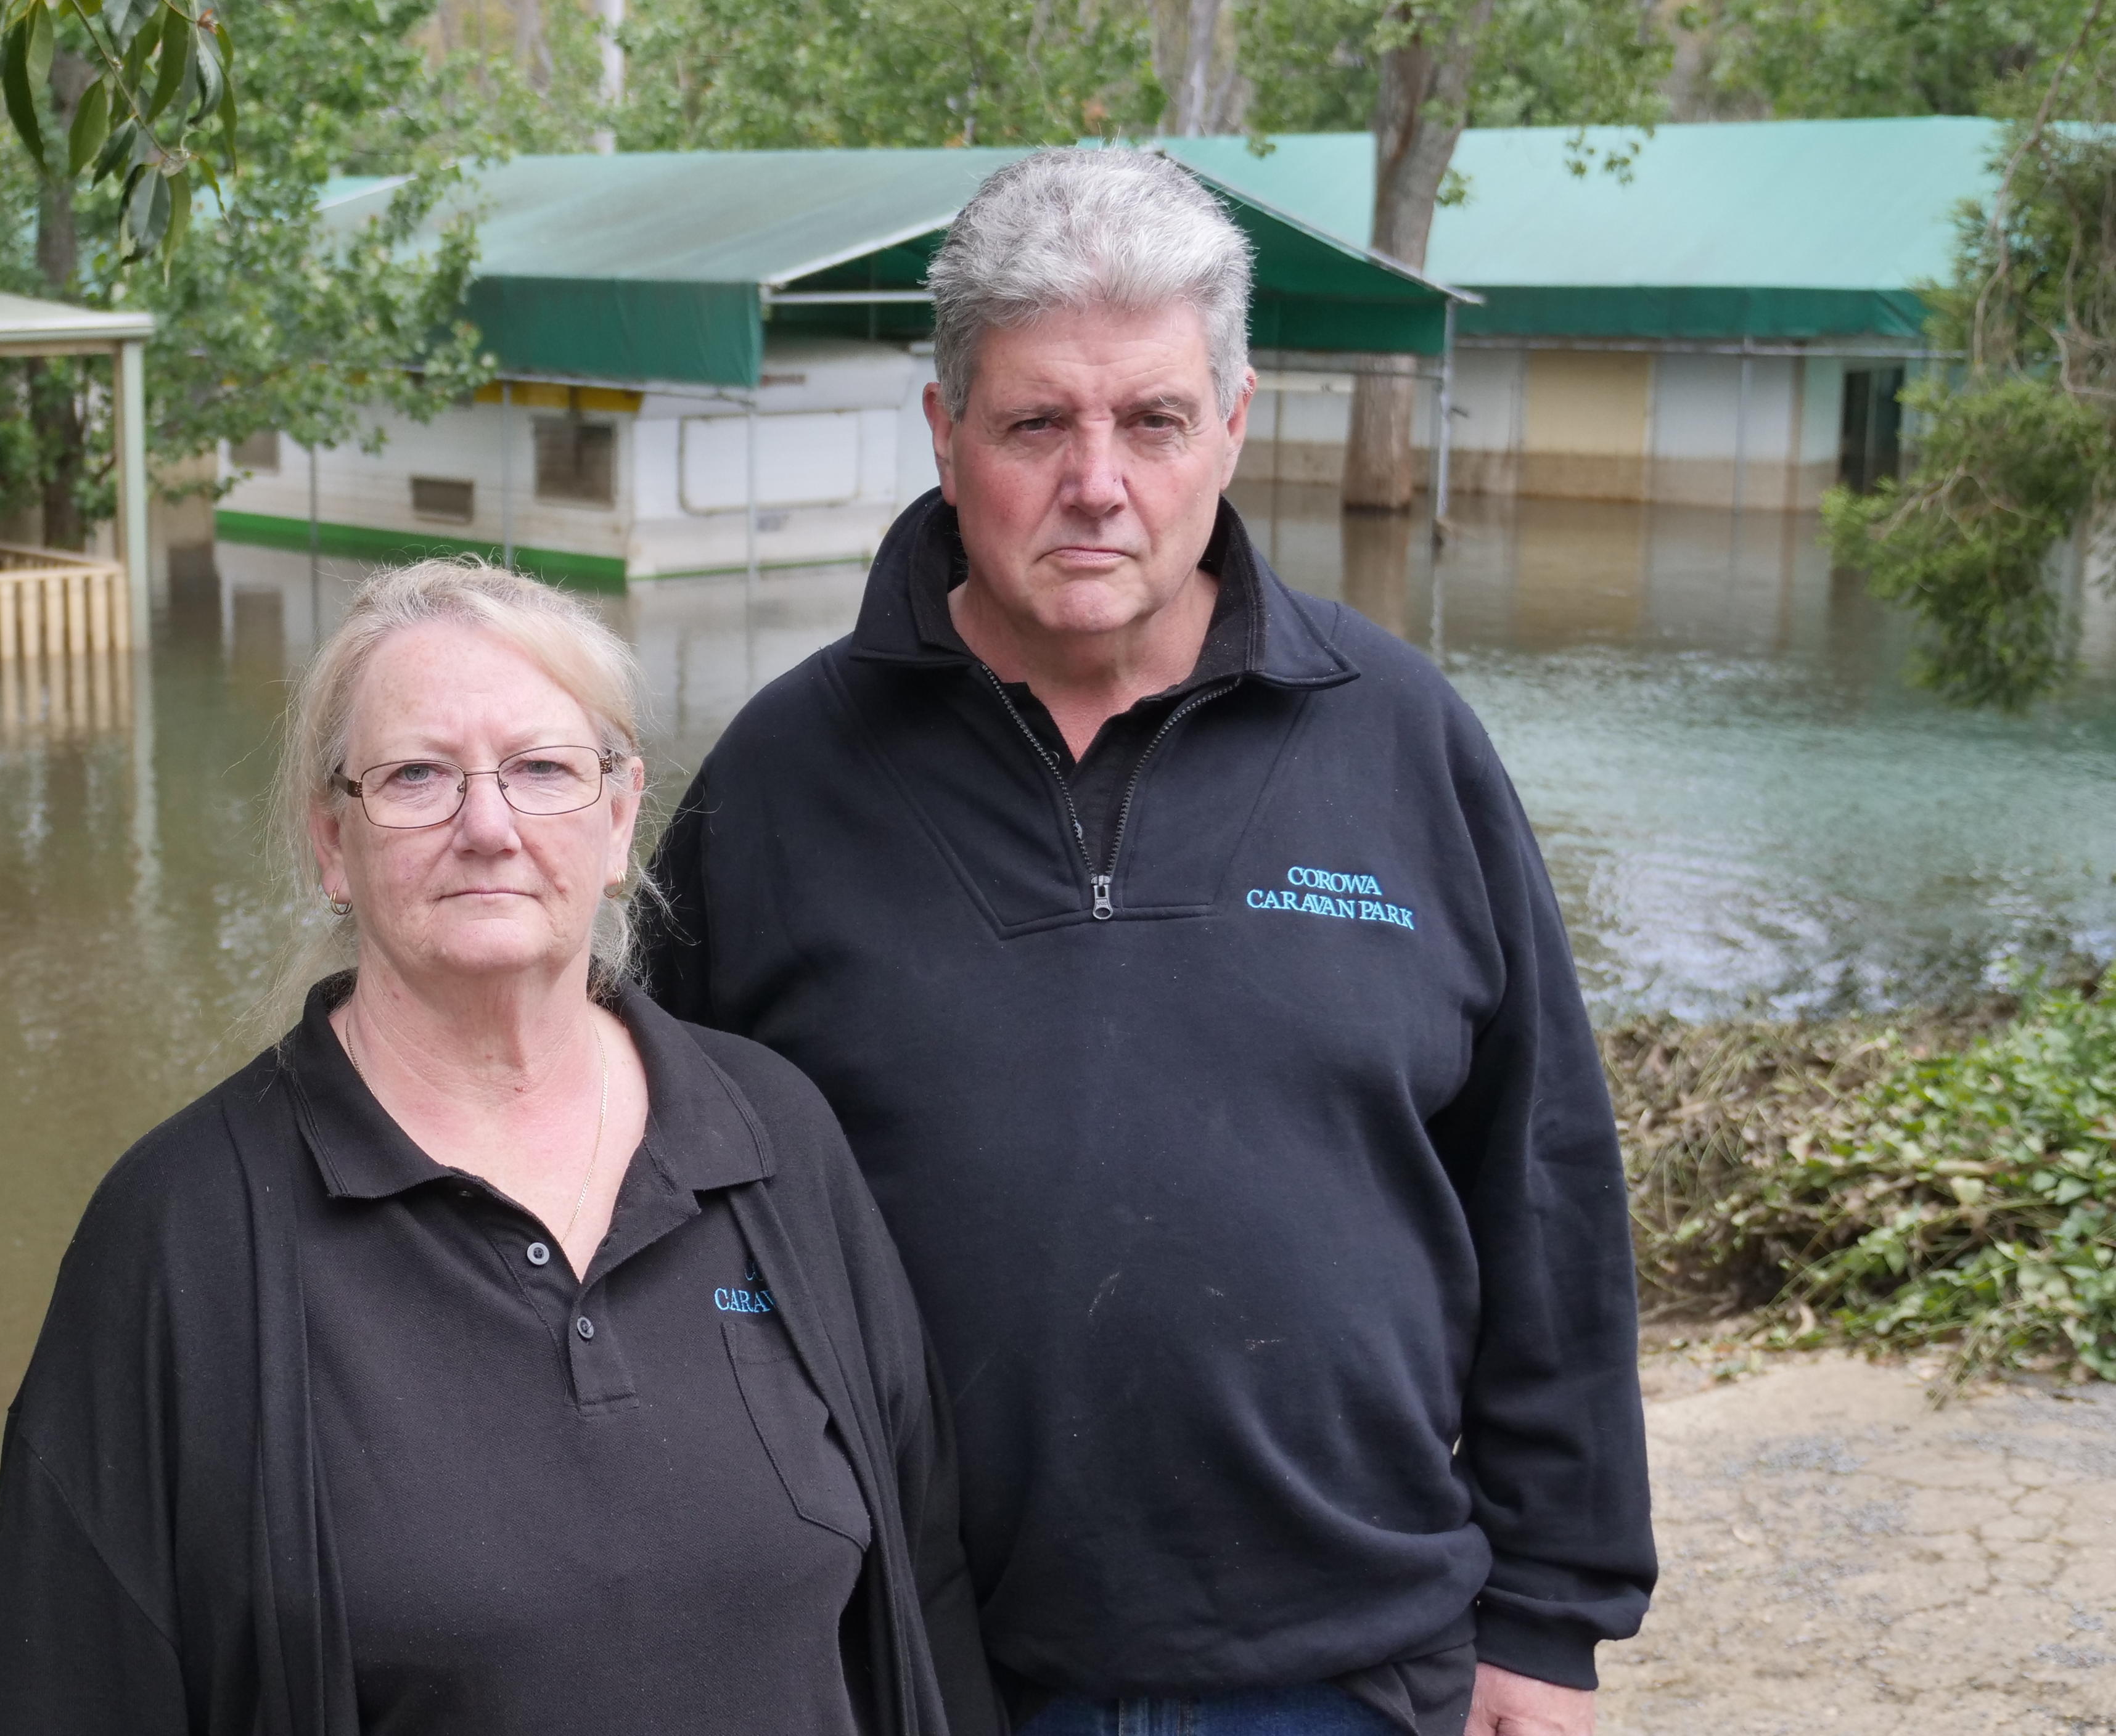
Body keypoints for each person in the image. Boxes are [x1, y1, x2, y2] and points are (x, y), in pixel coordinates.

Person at [642, 147, 1655, 1736]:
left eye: (1154, 420)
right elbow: (670, 1229)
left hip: (1352, 1666)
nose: (1096, 480)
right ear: (945, 432)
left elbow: (1543, 1186)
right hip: (927, 1665)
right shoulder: (782, 780)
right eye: (1038, 421)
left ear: (1234, 423)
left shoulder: (1401, 739)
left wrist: (1551, 1612)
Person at [0, 560, 1000, 1736]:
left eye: (544, 770)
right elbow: (63, 1694)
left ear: (618, 821)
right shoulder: (185, 1233)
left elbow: (924, 1587)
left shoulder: (770, 1134)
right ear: (330, 844)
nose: (489, 827)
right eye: (416, 777)